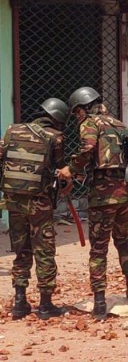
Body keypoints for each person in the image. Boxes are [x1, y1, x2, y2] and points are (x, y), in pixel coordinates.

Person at [58, 87, 128, 319]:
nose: (77, 117)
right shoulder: (119, 124)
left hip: (104, 195)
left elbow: (87, 149)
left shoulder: (90, 123)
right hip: (127, 191)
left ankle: (100, 303)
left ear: (84, 107)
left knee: (98, 248)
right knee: (122, 240)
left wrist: (70, 170)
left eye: (76, 112)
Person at [1, 98, 70, 320]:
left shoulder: (13, 130)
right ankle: (46, 304)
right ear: (57, 119)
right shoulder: (55, 138)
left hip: (13, 200)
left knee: (21, 250)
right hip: (39, 203)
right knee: (44, 250)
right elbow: (61, 170)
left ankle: (20, 302)